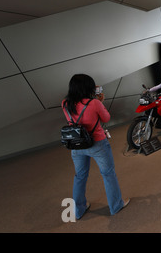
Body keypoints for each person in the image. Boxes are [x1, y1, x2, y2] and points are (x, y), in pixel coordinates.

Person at [62, 74, 129, 220]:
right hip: (97, 143)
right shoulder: (94, 103)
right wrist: (101, 102)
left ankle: (79, 210)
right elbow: (106, 118)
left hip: (76, 145)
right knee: (108, 174)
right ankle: (116, 205)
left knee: (80, 176)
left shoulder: (65, 103)